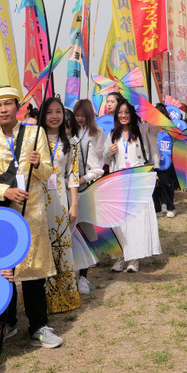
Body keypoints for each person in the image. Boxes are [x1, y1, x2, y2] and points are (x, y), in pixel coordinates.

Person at [0, 86, 63, 348]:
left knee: (34, 268)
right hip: (1, 212)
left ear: (17, 107)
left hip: (33, 210)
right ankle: (7, 323)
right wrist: (6, 191)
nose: (3, 110)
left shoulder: (36, 133)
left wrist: (39, 164)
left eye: (7, 104)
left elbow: (48, 173)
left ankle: (38, 326)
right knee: (4, 269)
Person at [104, 99, 162, 273]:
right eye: (120, 112)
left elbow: (157, 126)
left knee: (136, 220)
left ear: (132, 114)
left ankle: (134, 258)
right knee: (120, 221)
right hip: (119, 180)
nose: (123, 116)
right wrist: (109, 152)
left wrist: (149, 109)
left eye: (126, 112)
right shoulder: (113, 134)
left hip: (138, 179)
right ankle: (122, 256)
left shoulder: (143, 130)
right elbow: (106, 159)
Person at [38, 97, 81, 314]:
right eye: (49, 112)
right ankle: (41, 299)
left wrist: (74, 204)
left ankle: (64, 297)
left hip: (61, 199)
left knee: (62, 247)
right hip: (38, 198)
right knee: (41, 247)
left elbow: (73, 175)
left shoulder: (71, 143)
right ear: (42, 115)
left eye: (58, 112)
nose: (54, 116)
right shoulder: (34, 139)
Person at [71, 98, 105, 294]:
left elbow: (97, 164)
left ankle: (83, 277)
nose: (80, 118)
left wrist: (81, 180)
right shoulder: (69, 133)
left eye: (83, 115)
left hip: (83, 189)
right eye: (77, 115)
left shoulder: (96, 133)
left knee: (85, 233)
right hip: (63, 192)